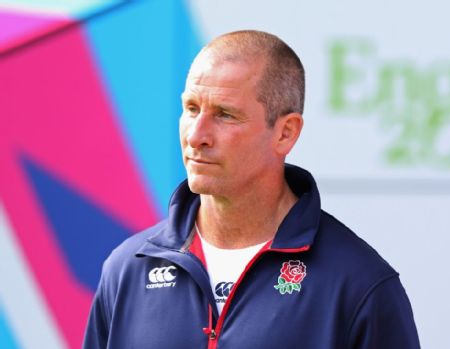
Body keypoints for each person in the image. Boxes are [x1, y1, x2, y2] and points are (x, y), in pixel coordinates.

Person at [83, 30, 421, 349]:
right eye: (191, 109)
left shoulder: (358, 285)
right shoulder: (127, 269)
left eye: (225, 115)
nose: (196, 136)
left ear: (285, 133)